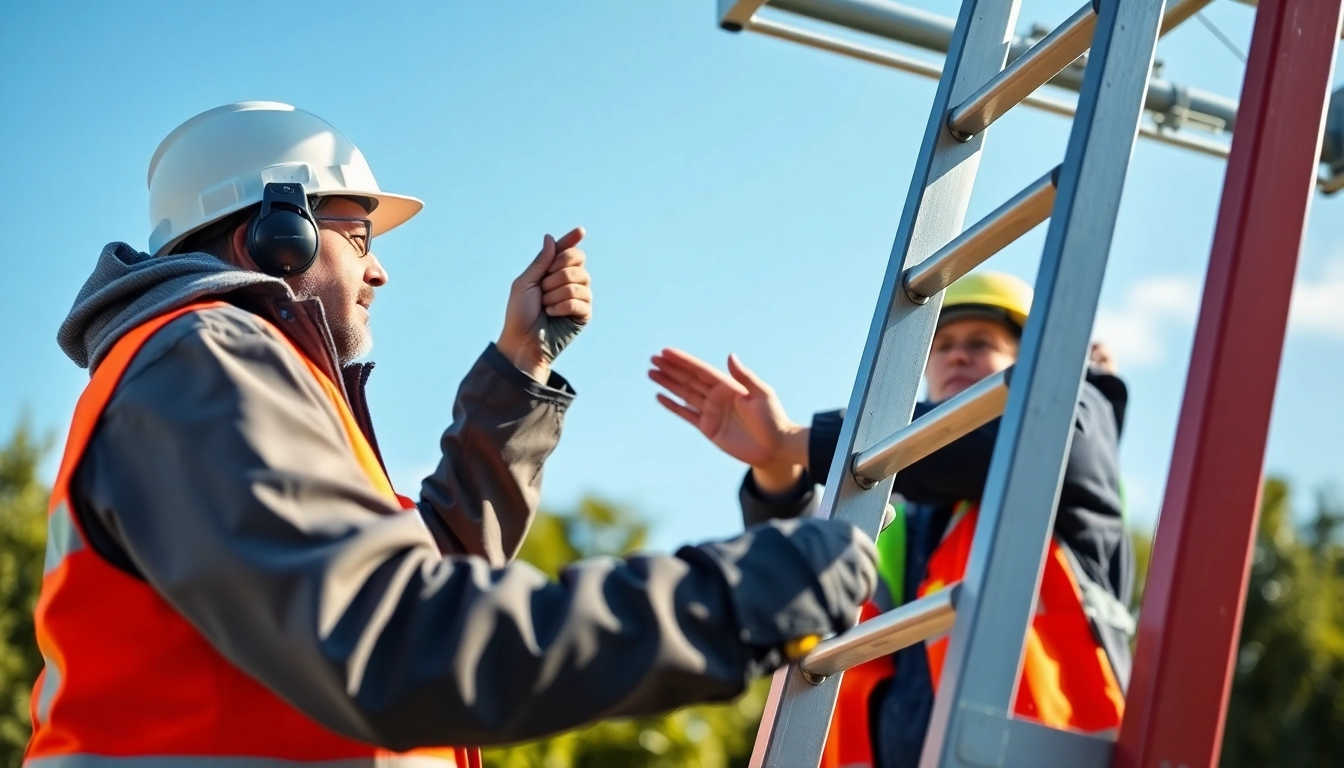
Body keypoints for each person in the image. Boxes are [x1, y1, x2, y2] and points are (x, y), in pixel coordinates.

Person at [26, 102, 879, 768]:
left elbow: (433, 576)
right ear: (275, 236)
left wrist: (522, 362)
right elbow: (389, 635)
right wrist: (725, 601)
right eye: (358, 235)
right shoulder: (204, 358)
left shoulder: (234, 376)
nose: (381, 269)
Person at [650, 271, 1134, 768]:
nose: (957, 355)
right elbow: (798, 586)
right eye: (941, 346)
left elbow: (1024, 438)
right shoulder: (898, 506)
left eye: (981, 342)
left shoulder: (1076, 422)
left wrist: (796, 441)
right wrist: (777, 469)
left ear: (1031, 361)